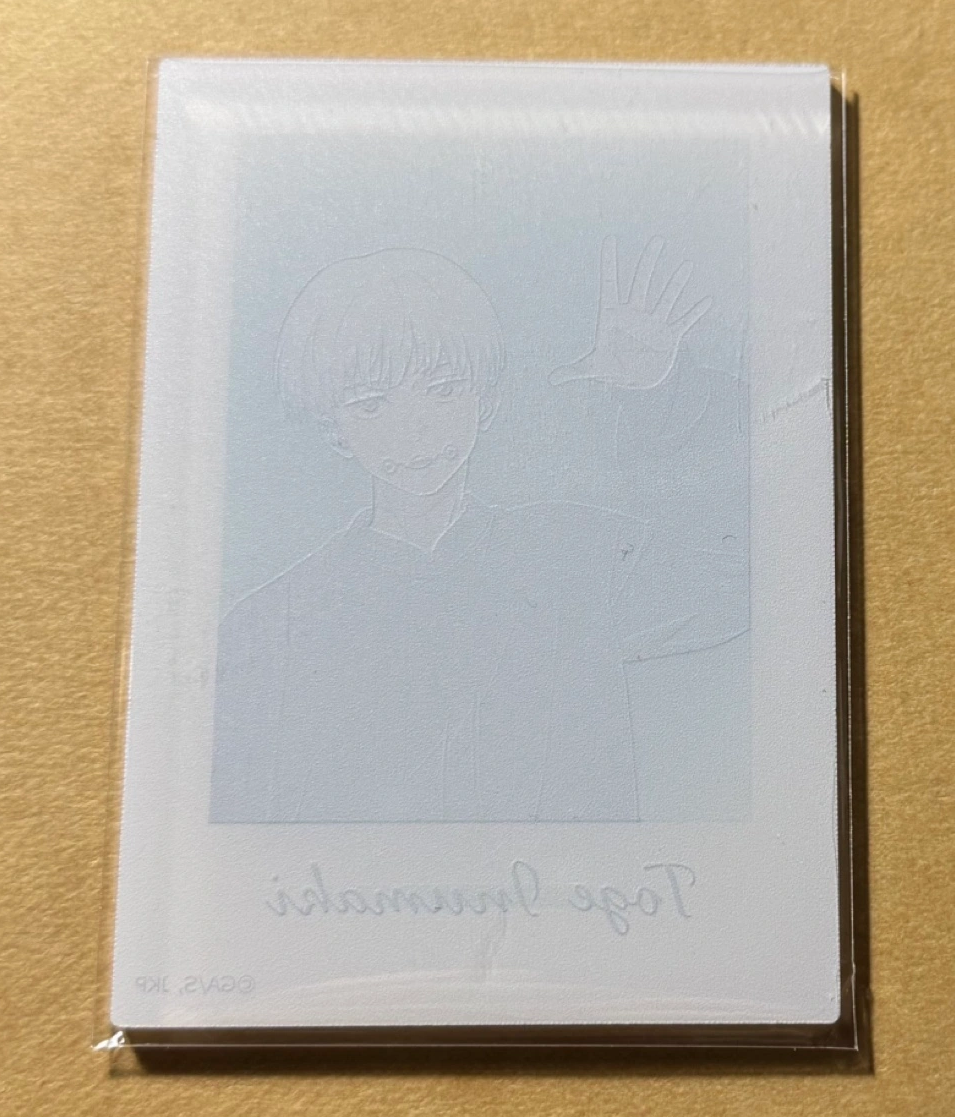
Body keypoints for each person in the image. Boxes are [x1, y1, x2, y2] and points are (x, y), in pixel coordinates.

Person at [210, 243, 746, 822]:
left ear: (485, 401)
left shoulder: (574, 553)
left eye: (443, 389)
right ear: (332, 428)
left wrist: (655, 402)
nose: (414, 429)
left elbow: (739, 587)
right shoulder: (273, 626)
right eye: (371, 405)